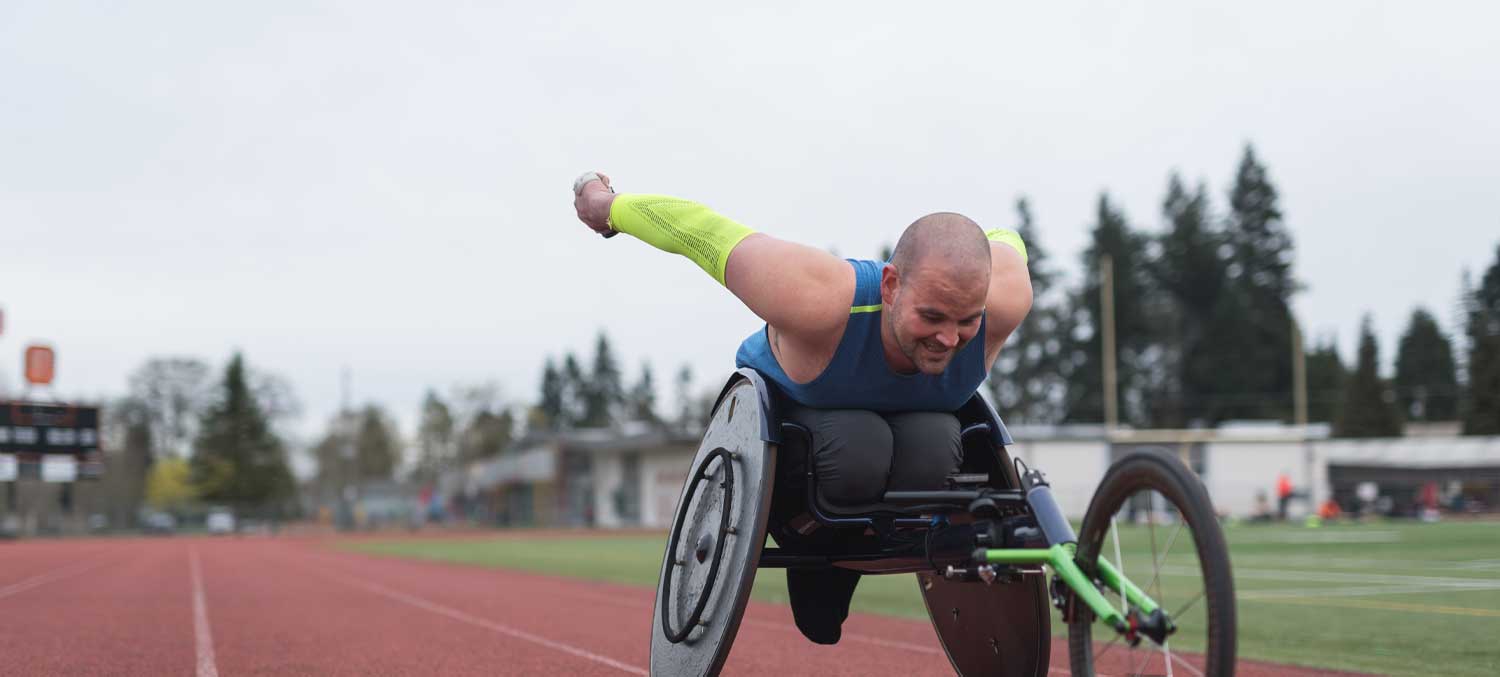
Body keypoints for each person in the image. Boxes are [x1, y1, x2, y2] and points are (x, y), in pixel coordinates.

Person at [572, 172, 1032, 644]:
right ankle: (817, 551)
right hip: (800, 438)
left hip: (911, 448)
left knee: (936, 441)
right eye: (931, 316)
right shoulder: (818, 297)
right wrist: (607, 207)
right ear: (891, 286)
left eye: (966, 320)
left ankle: (858, 550)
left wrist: (977, 242)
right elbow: (700, 231)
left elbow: (1006, 240)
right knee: (860, 442)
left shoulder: (1005, 298)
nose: (948, 339)